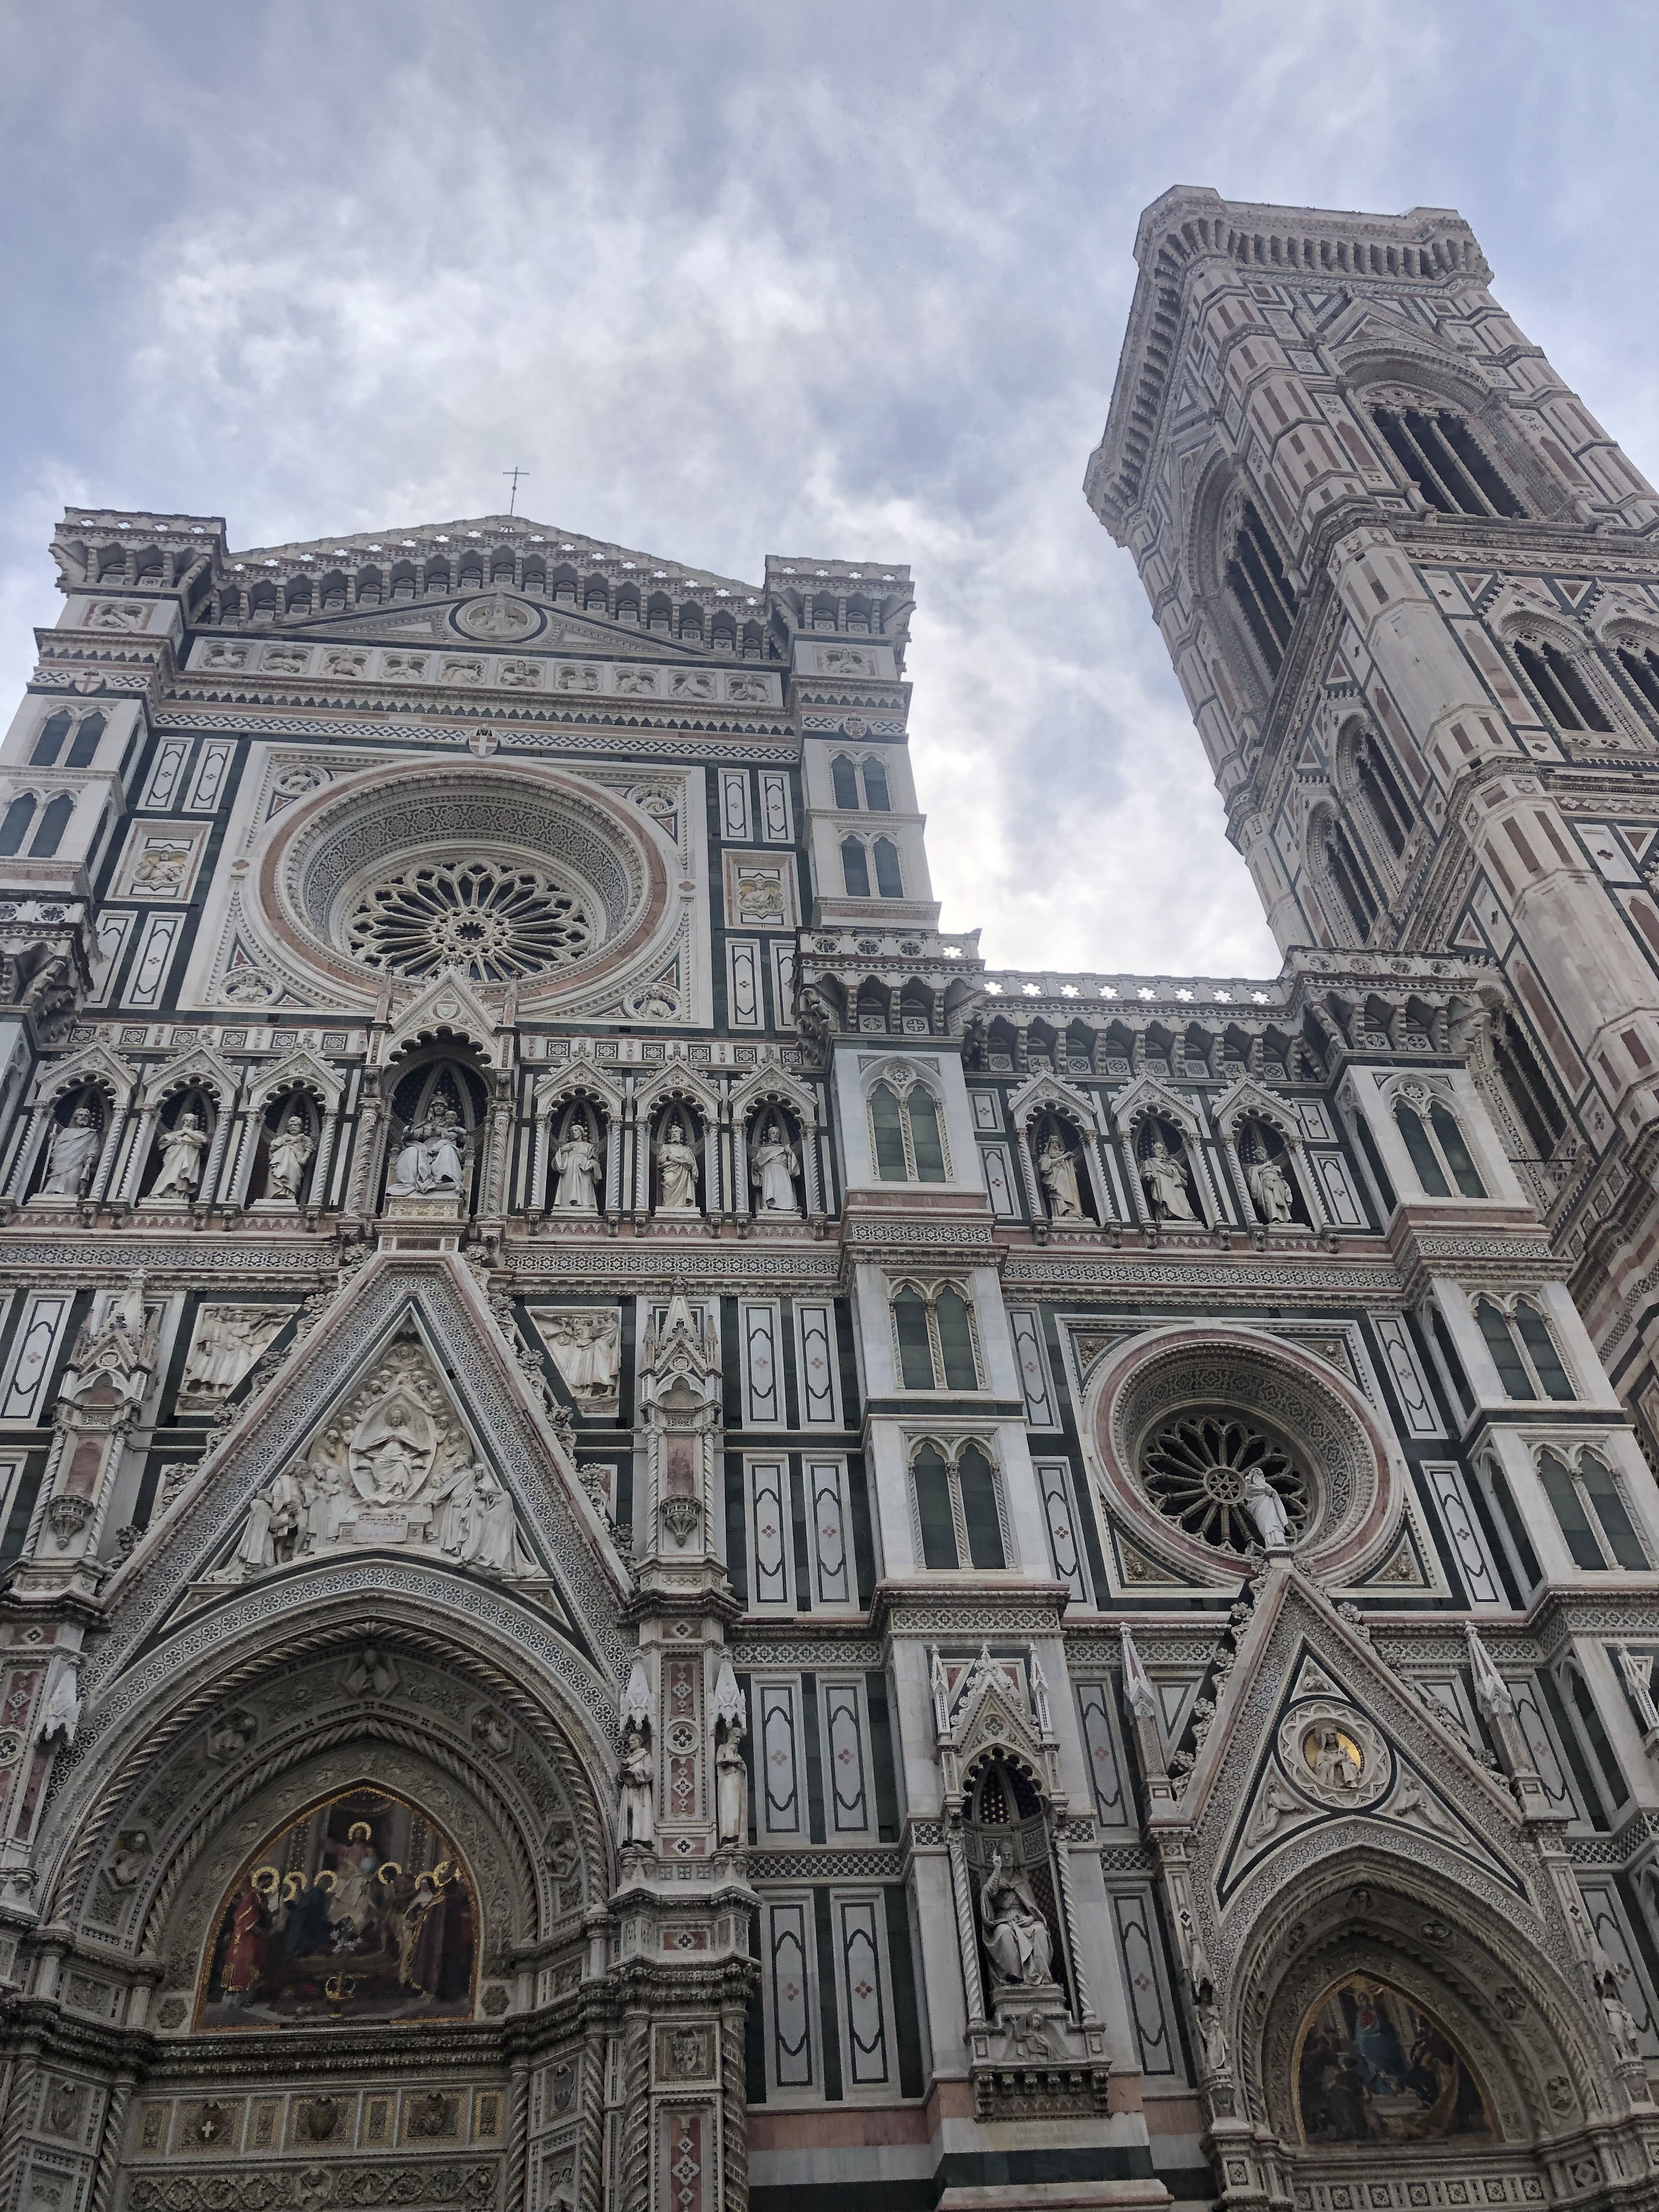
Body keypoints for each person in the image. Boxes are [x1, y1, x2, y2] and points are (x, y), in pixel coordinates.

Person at [979, 1849, 1054, 1985]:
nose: (1007, 1857)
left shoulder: (1021, 1882)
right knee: (1004, 1933)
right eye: (1004, 1855)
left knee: (1040, 1930)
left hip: (1024, 1922)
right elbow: (989, 1893)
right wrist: (997, 1870)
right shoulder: (996, 1880)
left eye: (1010, 1855)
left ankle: (1041, 1975)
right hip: (1004, 1921)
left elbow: (1033, 1908)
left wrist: (1031, 1918)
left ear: (1014, 1857)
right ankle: (1015, 1977)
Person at [1140, 1129, 1199, 1222]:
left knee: (1182, 1200)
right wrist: (1149, 1177)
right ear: (1154, 1151)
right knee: (1165, 1199)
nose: (1161, 1150)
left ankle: (1189, 1216)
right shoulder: (1150, 1162)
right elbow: (1147, 1174)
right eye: (1159, 1148)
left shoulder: (1171, 1164)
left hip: (1175, 1186)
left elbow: (1185, 1175)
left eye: (1162, 1148)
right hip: (1162, 1184)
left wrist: (1176, 1164)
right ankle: (1166, 1217)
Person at [41, 1105, 99, 1197]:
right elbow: (57, 1147)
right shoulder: (66, 1132)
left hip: (77, 1162)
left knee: (72, 1180)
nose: (83, 1117)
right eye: (81, 1115)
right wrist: (53, 1140)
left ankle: (69, 1197)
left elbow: (93, 1148)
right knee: (55, 1182)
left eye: (86, 1116)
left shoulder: (91, 1133)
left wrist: (90, 1159)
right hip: (62, 1162)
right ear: (76, 1118)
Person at [150, 1110, 208, 1199]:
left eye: (191, 1121)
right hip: (173, 1158)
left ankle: (178, 1196)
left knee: (182, 1178)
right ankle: (161, 1192)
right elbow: (160, 1145)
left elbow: (203, 1140)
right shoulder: (175, 1134)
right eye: (187, 1120)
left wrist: (186, 1132)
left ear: (195, 1125)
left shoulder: (198, 1134)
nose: (189, 1122)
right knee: (169, 1174)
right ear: (183, 1122)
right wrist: (165, 1137)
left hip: (188, 1159)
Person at [751, 1120, 799, 1216]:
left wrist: (790, 1152)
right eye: (774, 1133)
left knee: (786, 1188)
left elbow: (793, 1165)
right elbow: (757, 1163)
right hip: (769, 1171)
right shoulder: (764, 1149)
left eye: (777, 1133)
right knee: (771, 1189)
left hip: (783, 1170)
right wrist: (755, 1166)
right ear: (770, 1135)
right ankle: (770, 1206)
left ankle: (791, 1206)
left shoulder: (785, 1149)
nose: (776, 1135)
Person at [267, 1115, 315, 1203]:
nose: (293, 1127)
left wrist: (304, 1159)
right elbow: (273, 1147)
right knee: (278, 1175)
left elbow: (309, 1148)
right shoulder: (283, 1138)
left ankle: (289, 1194)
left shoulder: (304, 1138)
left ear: (300, 1127)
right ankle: (278, 1192)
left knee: (292, 1176)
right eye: (291, 1125)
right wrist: (284, 1143)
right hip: (281, 1162)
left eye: (295, 1125)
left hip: (294, 1162)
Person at [552, 1124, 601, 1210]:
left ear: (581, 1132)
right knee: (569, 1190)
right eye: (572, 1131)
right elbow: (556, 1163)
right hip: (569, 1171)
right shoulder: (568, 1146)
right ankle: (567, 1205)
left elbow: (596, 1161)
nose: (574, 1133)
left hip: (583, 1171)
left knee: (584, 1191)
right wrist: (562, 1151)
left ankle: (585, 1205)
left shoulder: (588, 1146)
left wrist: (590, 1164)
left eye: (576, 1130)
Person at [1037, 1130, 1083, 1220]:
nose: (1055, 1145)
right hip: (1055, 1182)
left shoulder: (1064, 1157)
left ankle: (1072, 1213)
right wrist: (1063, 1157)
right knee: (1058, 1196)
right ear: (1049, 1146)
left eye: (1056, 1143)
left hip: (1066, 1184)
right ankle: (1061, 1215)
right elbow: (1045, 1167)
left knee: (1068, 1196)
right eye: (1053, 1143)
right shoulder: (1045, 1157)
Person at [657, 1117, 699, 1211]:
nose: (674, 1134)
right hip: (671, 1171)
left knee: (683, 1190)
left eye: (676, 1132)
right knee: (669, 1181)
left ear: (680, 1135)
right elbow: (662, 1160)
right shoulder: (666, 1147)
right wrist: (680, 1161)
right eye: (673, 1133)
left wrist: (686, 1163)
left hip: (684, 1175)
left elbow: (692, 1164)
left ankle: (683, 1205)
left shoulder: (687, 1149)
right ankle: (668, 1206)